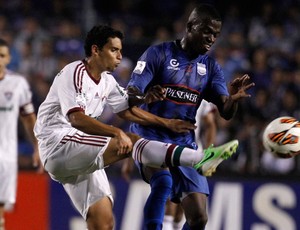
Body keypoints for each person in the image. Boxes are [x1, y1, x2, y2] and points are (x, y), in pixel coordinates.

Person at [33, 25, 239, 230]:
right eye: (114, 50)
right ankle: (199, 159)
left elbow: (127, 110)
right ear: (95, 50)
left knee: (103, 222)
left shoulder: (107, 82)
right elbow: (76, 118)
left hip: (78, 153)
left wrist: (163, 120)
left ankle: (199, 159)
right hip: (57, 144)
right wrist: (117, 132)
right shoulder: (75, 72)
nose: (120, 56)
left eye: (120, 50)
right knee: (130, 141)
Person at [125, 3, 254, 230]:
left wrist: (232, 100)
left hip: (184, 142)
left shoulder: (211, 67)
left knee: (199, 218)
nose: (211, 38)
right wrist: (145, 96)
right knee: (163, 182)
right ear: (190, 26)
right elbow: (131, 93)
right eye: (207, 31)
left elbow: (225, 112)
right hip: (149, 136)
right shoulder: (159, 53)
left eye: (215, 34)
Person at [0, 38, 42, 230]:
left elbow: (28, 118)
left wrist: (37, 146)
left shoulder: (17, 84)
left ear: (8, 58)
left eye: (2, 55)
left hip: (5, 157)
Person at [163, 100, 217, 230]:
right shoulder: (164, 85)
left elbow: (210, 124)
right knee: (169, 201)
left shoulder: (201, 94)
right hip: (166, 150)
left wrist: (208, 153)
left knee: (188, 210)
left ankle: (175, 226)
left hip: (192, 155)